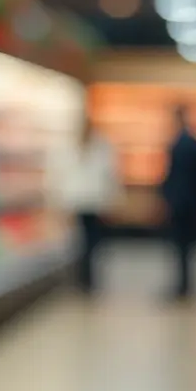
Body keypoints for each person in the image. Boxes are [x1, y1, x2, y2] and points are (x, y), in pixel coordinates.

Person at [51, 113, 121, 295]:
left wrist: (111, 201)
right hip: (77, 201)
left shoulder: (101, 146)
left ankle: (88, 277)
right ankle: (83, 276)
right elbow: (61, 175)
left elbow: (110, 175)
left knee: (91, 241)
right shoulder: (70, 147)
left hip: (92, 201)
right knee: (79, 241)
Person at [159, 104, 196, 301]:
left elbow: (170, 176)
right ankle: (186, 285)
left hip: (179, 203)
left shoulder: (177, 144)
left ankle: (182, 286)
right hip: (192, 202)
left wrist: (165, 197)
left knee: (180, 246)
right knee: (187, 247)